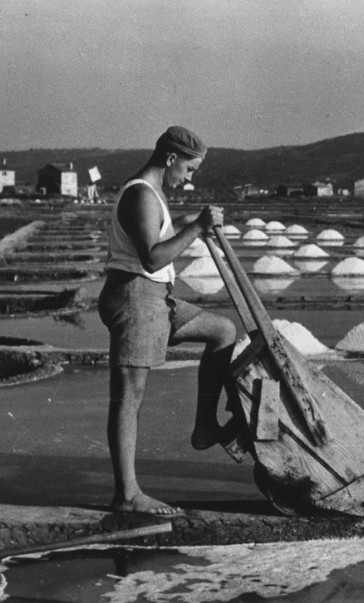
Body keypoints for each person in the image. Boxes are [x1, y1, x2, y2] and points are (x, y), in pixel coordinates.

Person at [98, 126, 239, 516]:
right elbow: (153, 257)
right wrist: (195, 228)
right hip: (134, 297)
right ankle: (127, 495)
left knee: (222, 330)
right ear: (171, 159)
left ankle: (205, 426)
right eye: (189, 170)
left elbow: (158, 231)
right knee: (129, 397)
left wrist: (189, 219)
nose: (189, 178)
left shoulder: (153, 195)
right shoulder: (141, 192)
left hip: (156, 297)